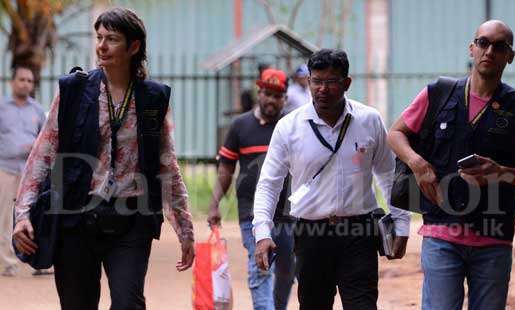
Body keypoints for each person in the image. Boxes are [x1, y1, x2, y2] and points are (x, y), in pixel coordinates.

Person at [12, 8, 194, 309]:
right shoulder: (73, 91)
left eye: (112, 39)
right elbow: (42, 153)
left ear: (133, 47)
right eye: (99, 37)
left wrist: (184, 228)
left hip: (131, 220)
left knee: (128, 303)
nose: (102, 46)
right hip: (76, 216)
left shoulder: (152, 99)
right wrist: (22, 214)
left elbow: (166, 164)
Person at [387, 20, 515, 309]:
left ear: (510, 56)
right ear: (472, 47)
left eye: (500, 46)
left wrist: (503, 173)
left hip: (494, 237)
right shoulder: (438, 93)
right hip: (441, 234)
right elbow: (396, 133)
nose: (490, 51)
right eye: (484, 43)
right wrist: (417, 163)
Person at [253, 48, 410, 309]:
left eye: (331, 82)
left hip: (359, 233)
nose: (322, 89)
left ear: (346, 83)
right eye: (316, 81)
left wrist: (401, 224)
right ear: (308, 81)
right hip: (310, 234)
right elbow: (269, 183)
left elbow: (389, 174)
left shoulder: (369, 120)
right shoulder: (289, 127)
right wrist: (261, 233)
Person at [208, 68, 295, 310]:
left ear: (285, 98)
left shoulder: (291, 126)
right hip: (252, 211)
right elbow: (226, 168)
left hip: (289, 213)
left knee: (288, 268)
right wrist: (215, 203)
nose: (271, 100)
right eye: (267, 93)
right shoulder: (240, 126)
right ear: (259, 93)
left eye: (278, 95)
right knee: (262, 266)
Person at [0, 65, 46, 277]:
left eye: (29, 80)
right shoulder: (2, 107)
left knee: (35, 216)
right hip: (5, 170)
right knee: (4, 219)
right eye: (22, 79)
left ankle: (39, 262)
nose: (26, 83)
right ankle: (8, 264)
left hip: (30, 173)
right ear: (12, 82)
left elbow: (45, 140)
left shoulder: (37, 110)